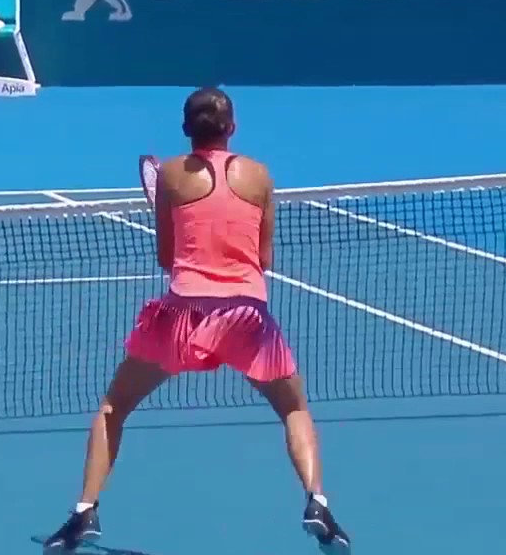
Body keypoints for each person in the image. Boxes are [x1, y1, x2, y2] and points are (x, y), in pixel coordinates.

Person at [41, 87, 352, 554]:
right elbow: (263, 258)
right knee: (293, 408)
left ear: (187, 130)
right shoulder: (260, 176)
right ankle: (317, 501)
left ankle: (84, 512)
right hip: (249, 314)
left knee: (113, 408)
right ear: (232, 127)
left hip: (184, 315)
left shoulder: (169, 175)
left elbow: (168, 257)